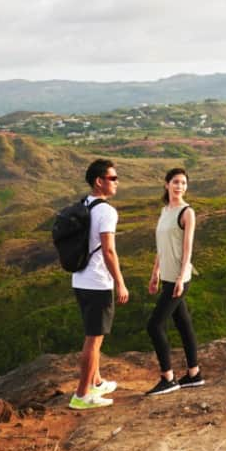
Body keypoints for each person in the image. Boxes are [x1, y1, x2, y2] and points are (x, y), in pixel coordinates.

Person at [70, 158, 130, 410]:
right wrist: (120, 282)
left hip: (80, 279)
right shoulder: (106, 211)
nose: (117, 183)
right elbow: (109, 251)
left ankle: (95, 382)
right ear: (99, 181)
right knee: (93, 340)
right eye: (113, 178)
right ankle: (82, 395)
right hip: (97, 283)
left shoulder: (84, 204)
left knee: (94, 336)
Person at [144, 166, 204, 395]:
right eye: (176, 182)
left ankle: (168, 378)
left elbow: (187, 247)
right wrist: (155, 273)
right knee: (183, 323)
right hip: (167, 275)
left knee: (154, 325)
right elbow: (162, 247)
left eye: (184, 183)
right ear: (166, 184)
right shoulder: (165, 211)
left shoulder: (187, 212)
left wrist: (180, 278)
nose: (180, 186)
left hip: (180, 277)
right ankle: (194, 374)